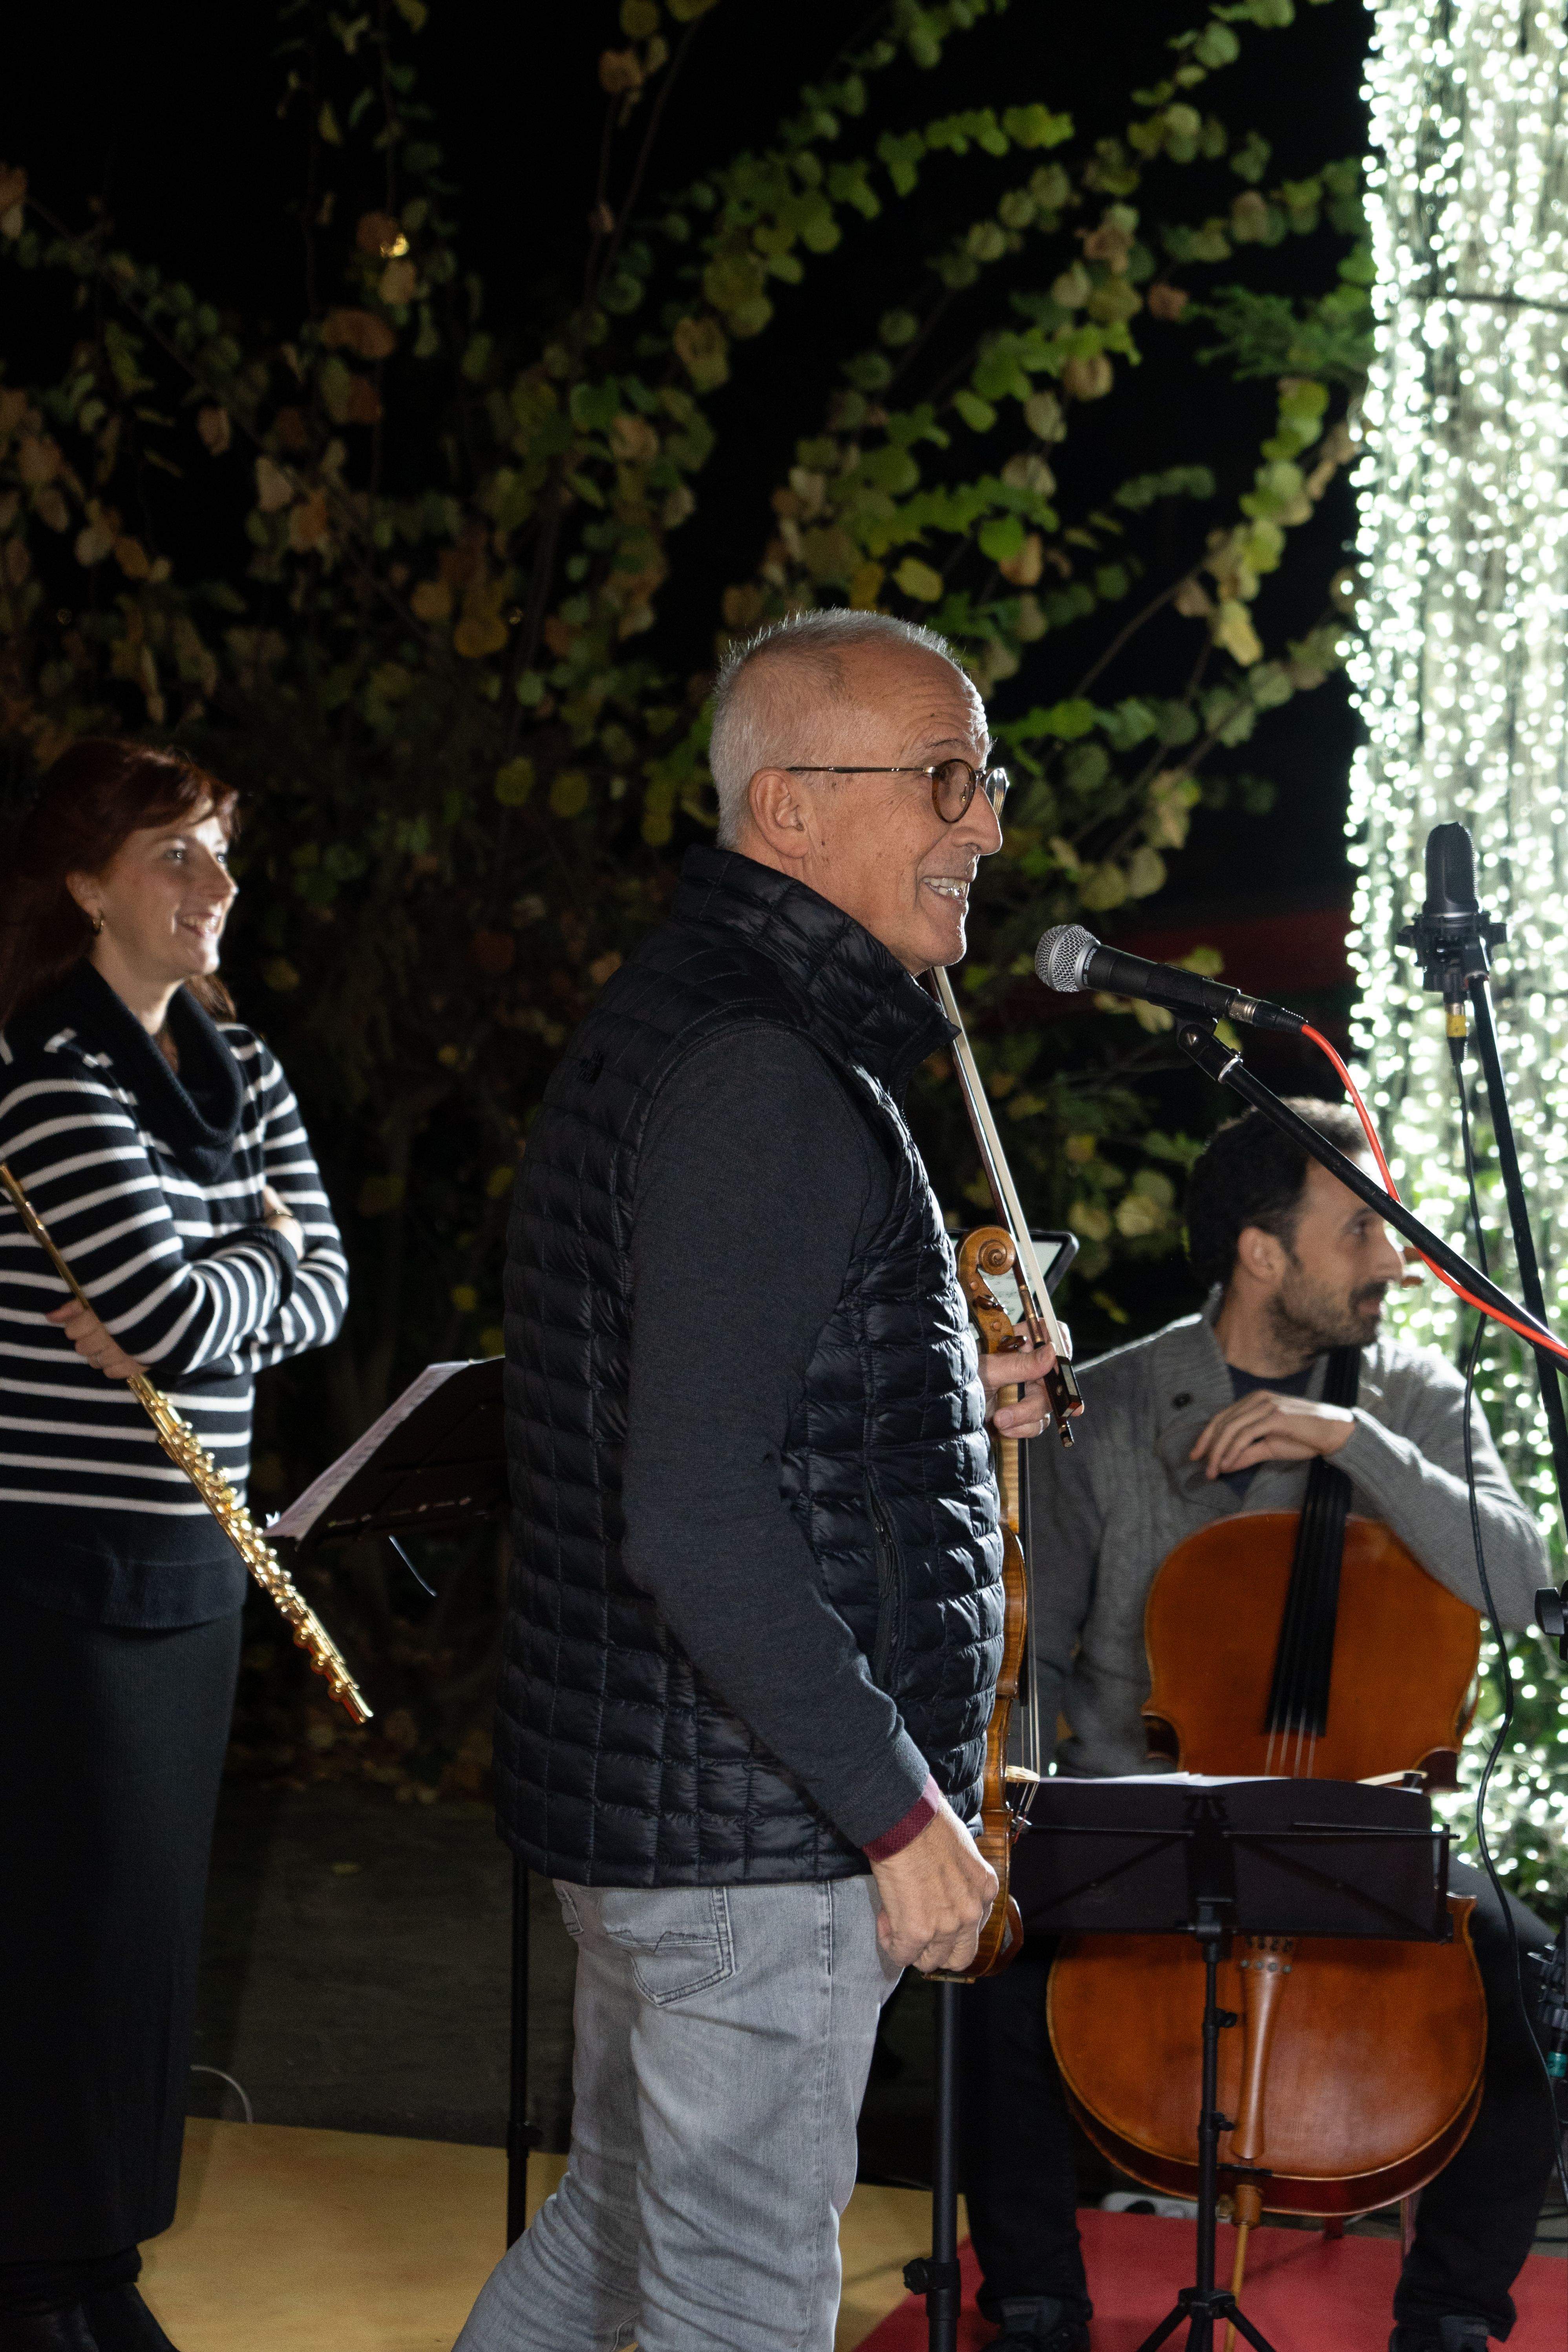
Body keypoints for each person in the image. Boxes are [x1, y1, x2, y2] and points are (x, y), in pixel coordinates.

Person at [456, 609, 1058, 2352]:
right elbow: (696, 1511)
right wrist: (900, 1815)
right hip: (760, 1832)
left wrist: (937, 1391)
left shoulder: (701, 1016)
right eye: (943, 777)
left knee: (612, 2242)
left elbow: (702, 1396)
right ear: (789, 806)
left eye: (986, 778)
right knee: (737, 2298)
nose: (985, 824)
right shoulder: (763, 1071)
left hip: (683, 1806)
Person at [960, 1100, 1558, 2352]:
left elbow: (1519, 1585)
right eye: (1360, 1232)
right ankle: (1033, 2307)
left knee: (1520, 1972)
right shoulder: (1107, 1408)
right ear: (1260, 1252)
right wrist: (1009, 1830)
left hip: (1352, 1830)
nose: (1393, 1262)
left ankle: (1449, 2317)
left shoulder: (1414, 1396)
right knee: (990, 1972)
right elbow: (1032, 1653)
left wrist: (1356, 1442)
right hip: (1143, 1826)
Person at [0, 741, 348, 2352]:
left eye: (219, 851)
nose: (215, 884)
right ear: (86, 885)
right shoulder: (43, 1070)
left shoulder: (244, 1067)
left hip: (193, 1570)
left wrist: (224, 1287)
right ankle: (39, 2271)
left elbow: (312, 1286)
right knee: (58, 1936)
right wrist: (238, 1264)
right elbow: (159, 1309)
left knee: (147, 1945)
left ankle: (95, 2259)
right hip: (52, 1570)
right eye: (173, 854)